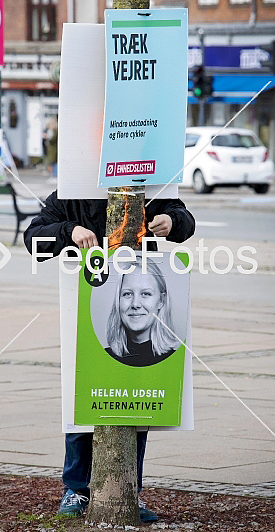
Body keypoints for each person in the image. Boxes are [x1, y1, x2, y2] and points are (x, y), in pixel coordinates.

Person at [23, 191, 195, 523]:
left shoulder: (143, 189)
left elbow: (185, 220)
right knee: (81, 404)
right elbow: (33, 240)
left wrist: (171, 222)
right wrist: (69, 231)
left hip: (137, 316)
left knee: (135, 403)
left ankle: (127, 490)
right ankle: (75, 488)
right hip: (88, 313)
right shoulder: (70, 194)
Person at [106, 257, 180, 367]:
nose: (135, 304)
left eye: (146, 294)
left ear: (161, 301)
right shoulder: (102, 357)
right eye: (127, 294)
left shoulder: (176, 360)